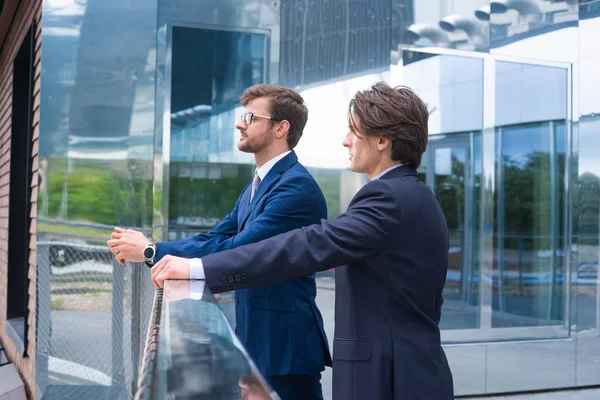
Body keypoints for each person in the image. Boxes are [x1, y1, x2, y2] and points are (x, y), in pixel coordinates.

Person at [150, 82, 455, 400]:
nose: (345, 140)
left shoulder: (389, 197)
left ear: (382, 139)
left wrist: (198, 268)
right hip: (406, 373)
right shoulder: (414, 195)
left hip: (390, 380)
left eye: (354, 131)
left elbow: (305, 246)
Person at [107, 84, 331, 400]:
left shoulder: (295, 189)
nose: (240, 123)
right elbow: (217, 237)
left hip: (284, 347)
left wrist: (150, 251)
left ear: (281, 128)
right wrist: (154, 250)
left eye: (251, 117)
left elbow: (241, 249)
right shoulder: (259, 183)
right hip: (259, 340)